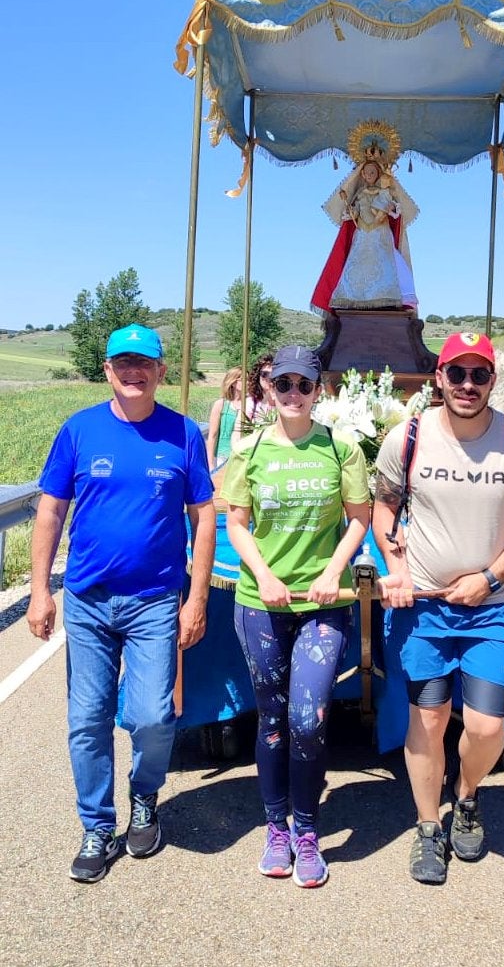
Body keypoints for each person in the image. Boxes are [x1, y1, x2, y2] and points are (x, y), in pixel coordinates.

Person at [27, 323, 215, 882]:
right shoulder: (79, 431)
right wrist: (40, 591)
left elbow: (203, 516)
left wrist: (197, 597)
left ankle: (146, 798)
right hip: (87, 600)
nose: (133, 371)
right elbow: (50, 510)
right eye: (122, 362)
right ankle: (96, 825)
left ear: (160, 371)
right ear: (107, 370)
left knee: (153, 717)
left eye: (144, 363)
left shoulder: (182, 433)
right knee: (87, 719)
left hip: (155, 600)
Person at [373, 332, 504, 883]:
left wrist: (491, 576)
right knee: (426, 720)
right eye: (457, 373)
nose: (468, 385)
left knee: (485, 727)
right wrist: (395, 566)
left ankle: (467, 793)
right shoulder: (406, 438)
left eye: (480, 375)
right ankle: (429, 828)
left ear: (493, 380)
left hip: (495, 608)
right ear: (439, 378)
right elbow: (385, 508)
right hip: (425, 611)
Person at [221, 345, 370, 888]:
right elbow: (236, 523)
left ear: (319, 390)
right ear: (267, 388)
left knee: (309, 718)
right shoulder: (249, 450)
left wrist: (334, 571)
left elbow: (359, 518)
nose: (292, 394)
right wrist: (263, 575)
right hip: (261, 604)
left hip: (324, 606)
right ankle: (275, 828)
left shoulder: (341, 447)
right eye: (282, 384)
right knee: (274, 719)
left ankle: (306, 830)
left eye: (303, 385)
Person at [311, 155, 418, 314]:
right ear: (362, 175)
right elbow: (355, 212)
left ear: (378, 174)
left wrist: (391, 210)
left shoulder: (385, 193)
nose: (369, 176)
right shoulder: (360, 194)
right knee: (356, 265)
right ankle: (354, 298)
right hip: (362, 234)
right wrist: (350, 212)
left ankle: (387, 297)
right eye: (366, 173)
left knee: (389, 263)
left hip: (381, 234)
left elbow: (396, 214)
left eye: (372, 173)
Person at [206, 366, 243, 473]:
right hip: (223, 455)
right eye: (243, 379)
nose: (248, 382)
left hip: (242, 455)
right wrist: (210, 463)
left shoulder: (249, 405)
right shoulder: (221, 405)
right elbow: (212, 435)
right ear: (234, 382)